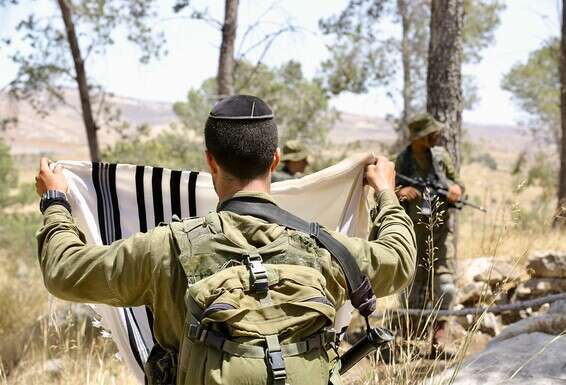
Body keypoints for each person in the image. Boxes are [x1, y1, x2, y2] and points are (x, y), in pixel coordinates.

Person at [35, 95, 416, 384]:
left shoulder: (166, 248)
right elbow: (398, 261)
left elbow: (65, 271)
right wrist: (384, 192)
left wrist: (55, 202)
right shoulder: (326, 249)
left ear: (211, 162)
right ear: (275, 160)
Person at [394, 113, 464, 356]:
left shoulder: (441, 157)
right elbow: (386, 193)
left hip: (440, 237)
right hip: (412, 237)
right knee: (410, 292)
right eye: (432, 133)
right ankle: (408, 340)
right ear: (420, 137)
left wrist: (456, 189)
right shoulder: (402, 160)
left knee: (446, 288)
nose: (438, 135)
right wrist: (402, 192)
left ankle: (440, 338)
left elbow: (458, 184)